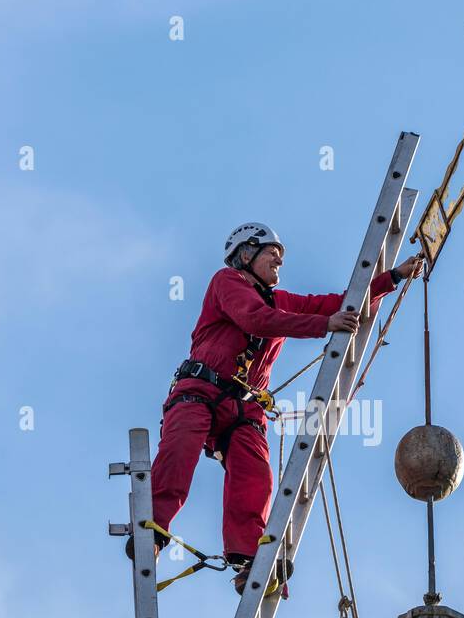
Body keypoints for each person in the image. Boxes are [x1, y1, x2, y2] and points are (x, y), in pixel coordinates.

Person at [129, 223, 421, 594]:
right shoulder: (228, 282)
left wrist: (391, 277)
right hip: (200, 391)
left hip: (244, 408)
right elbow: (256, 319)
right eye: (271, 253)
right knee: (179, 453)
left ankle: (248, 556)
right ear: (246, 254)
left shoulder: (280, 300)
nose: (279, 261)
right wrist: (323, 326)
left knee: (256, 475)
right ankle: (153, 530)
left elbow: (339, 303)